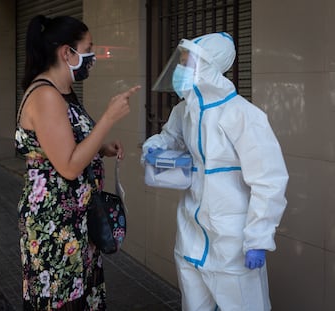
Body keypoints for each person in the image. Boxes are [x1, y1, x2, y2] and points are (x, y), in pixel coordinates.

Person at [142, 32, 288, 310]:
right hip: (191, 237)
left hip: (232, 242)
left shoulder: (242, 115)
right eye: (181, 61)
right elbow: (169, 137)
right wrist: (155, 147)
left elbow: (269, 181)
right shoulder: (184, 111)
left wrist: (259, 237)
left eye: (187, 62)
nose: (180, 68)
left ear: (209, 66)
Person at [15, 15, 140, 310]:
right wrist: (108, 118)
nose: (93, 57)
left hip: (77, 222)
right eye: (89, 48)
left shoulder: (64, 92)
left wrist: (101, 148)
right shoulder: (46, 95)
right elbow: (69, 166)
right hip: (55, 226)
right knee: (62, 300)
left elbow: (68, 146)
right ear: (67, 53)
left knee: (81, 296)